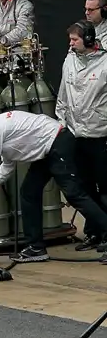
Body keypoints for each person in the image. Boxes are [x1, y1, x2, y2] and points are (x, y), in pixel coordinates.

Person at [0, 109, 107, 262]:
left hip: (58, 143)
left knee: (75, 195)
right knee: (28, 193)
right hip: (48, 148)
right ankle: (36, 248)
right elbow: (6, 168)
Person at [56, 20, 107, 252]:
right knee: (85, 187)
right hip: (76, 135)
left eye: (75, 39)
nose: (71, 43)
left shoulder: (105, 62)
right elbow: (63, 94)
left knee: (105, 187)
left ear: (87, 40)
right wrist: (62, 121)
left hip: (100, 135)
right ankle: (93, 232)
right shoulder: (69, 60)